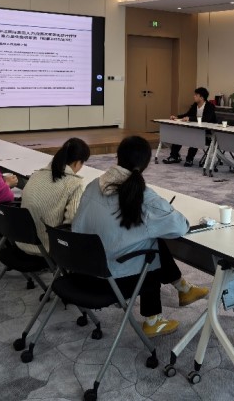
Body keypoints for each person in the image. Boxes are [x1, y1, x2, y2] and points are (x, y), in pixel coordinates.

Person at [72, 136, 208, 338]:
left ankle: (183, 288)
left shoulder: (92, 185)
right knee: (150, 247)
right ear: (145, 164)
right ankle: (153, 320)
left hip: (83, 270)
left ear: (117, 157)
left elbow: (77, 226)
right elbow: (180, 226)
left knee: (147, 238)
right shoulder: (143, 196)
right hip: (112, 279)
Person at [18, 138, 91, 256]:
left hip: (22, 241)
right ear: (77, 162)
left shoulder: (36, 174)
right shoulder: (74, 183)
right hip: (49, 248)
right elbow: (72, 222)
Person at [163, 87, 217, 167]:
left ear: (201, 97)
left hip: (208, 133)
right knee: (180, 134)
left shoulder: (210, 106)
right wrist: (177, 117)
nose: (194, 96)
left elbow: (206, 119)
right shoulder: (195, 105)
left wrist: (190, 118)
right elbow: (187, 114)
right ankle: (174, 156)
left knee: (195, 136)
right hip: (196, 130)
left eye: (196, 95)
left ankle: (189, 159)